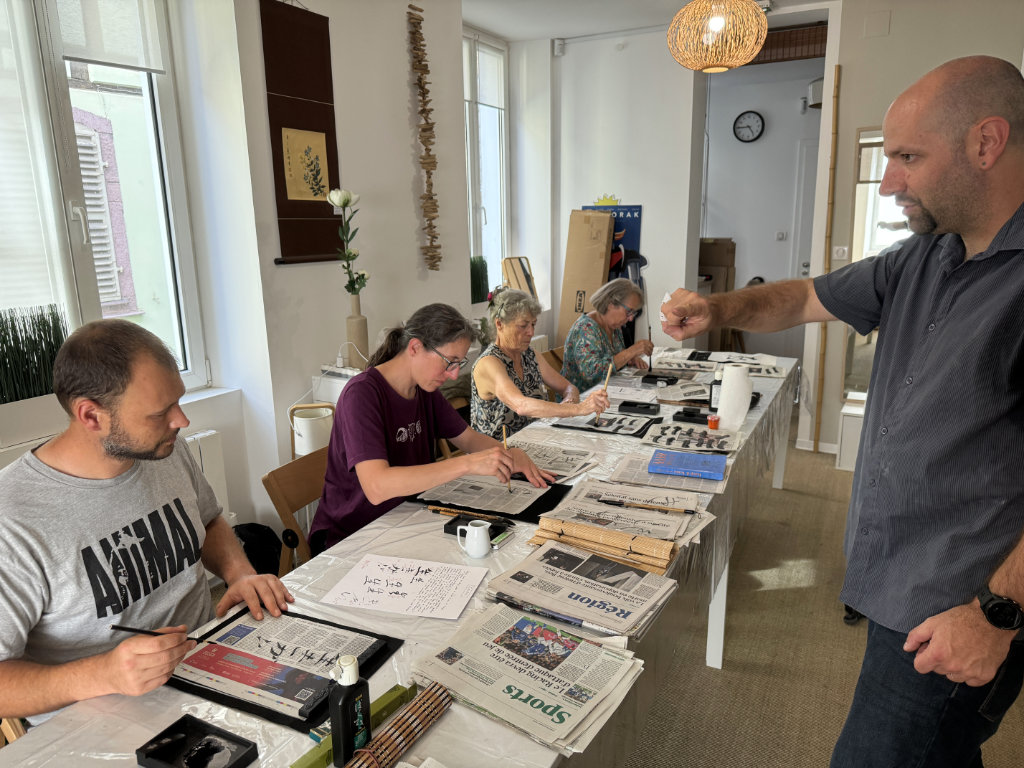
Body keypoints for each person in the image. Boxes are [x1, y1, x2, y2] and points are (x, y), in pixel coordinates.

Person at [660, 56, 1024, 767]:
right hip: (898, 581)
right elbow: (801, 299)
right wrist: (717, 309)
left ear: (987, 143)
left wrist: (996, 614)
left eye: (908, 158)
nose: (889, 181)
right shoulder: (923, 256)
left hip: (959, 603)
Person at [0, 320, 292, 723]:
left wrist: (239, 573)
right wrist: (102, 673)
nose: (181, 420)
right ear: (90, 415)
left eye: (178, 401)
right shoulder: (12, 520)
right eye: (159, 413)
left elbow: (207, 521)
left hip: (210, 671)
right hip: (101, 722)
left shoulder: (164, 451)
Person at [310, 303, 554, 552]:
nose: (454, 374)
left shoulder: (424, 390)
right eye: (450, 362)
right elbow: (377, 487)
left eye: (460, 363)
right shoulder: (362, 395)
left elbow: (468, 439)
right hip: (354, 534)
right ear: (415, 347)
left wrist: (509, 453)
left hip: (407, 516)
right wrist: (468, 464)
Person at [471, 288, 610, 439]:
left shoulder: (530, 355)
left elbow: (569, 387)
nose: (531, 332)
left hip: (535, 441)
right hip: (497, 451)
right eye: (523, 326)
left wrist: (569, 401)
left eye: (533, 324)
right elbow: (521, 405)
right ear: (499, 324)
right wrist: (579, 408)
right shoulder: (489, 363)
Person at [561, 278, 655, 391]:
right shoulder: (585, 329)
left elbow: (613, 360)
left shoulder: (614, 327)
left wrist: (630, 359)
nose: (631, 319)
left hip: (606, 394)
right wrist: (631, 351)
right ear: (611, 304)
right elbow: (592, 374)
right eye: (629, 312)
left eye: (633, 313)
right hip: (581, 400)